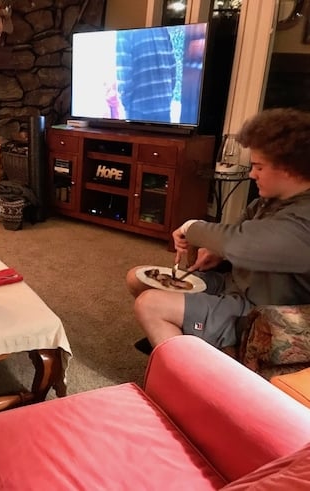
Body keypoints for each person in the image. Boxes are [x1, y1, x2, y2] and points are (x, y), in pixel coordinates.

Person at [126, 108, 310, 354]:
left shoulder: (303, 221)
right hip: (232, 285)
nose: (252, 173)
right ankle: (185, 341)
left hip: (257, 311)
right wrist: (217, 251)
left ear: (289, 168)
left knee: (149, 305)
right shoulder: (274, 199)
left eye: (259, 167)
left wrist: (190, 227)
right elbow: (238, 230)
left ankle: (186, 379)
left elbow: (242, 244)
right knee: (137, 277)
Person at [115, 27, 177, 123]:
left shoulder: (125, 32)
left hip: (139, 111)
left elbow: (124, 73)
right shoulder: (162, 30)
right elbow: (173, 66)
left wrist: (126, 103)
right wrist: (167, 95)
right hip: (164, 107)